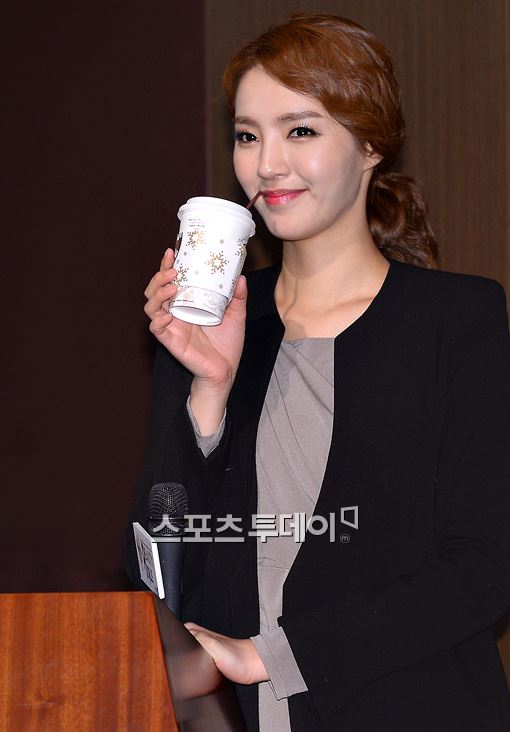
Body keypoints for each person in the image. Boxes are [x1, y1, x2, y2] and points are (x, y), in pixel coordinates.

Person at [124, 13, 510, 731]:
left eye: (300, 130)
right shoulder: (217, 323)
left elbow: (483, 568)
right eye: (248, 135)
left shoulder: (456, 318)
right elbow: (157, 568)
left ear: (370, 145)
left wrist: (273, 655)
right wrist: (208, 392)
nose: (267, 164)